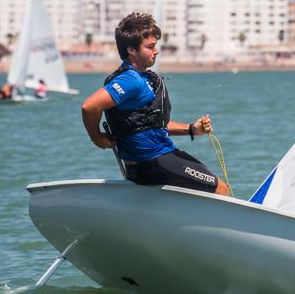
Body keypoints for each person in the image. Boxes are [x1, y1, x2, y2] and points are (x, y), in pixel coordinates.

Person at [81, 12, 229, 195]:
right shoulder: (130, 80)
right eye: (150, 47)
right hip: (153, 161)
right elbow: (90, 106)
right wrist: (97, 138)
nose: (156, 51)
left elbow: (151, 124)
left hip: (143, 165)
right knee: (220, 189)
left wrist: (191, 129)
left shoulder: (142, 78)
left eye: (155, 45)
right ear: (131, 50)